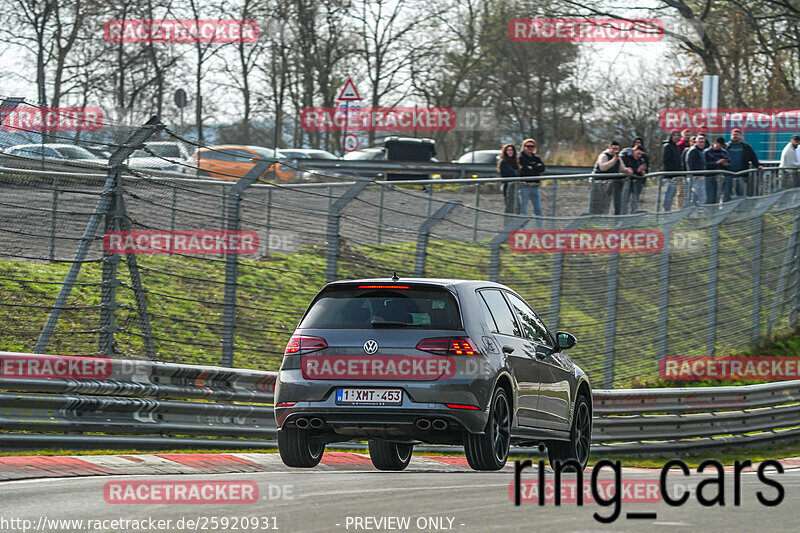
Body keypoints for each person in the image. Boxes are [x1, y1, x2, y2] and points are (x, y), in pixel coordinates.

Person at [591, 141, 632, 214]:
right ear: (610, 148)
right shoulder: (604, 156)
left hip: (610, 183)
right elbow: (603, 167)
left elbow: (621, 168)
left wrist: (627, 170)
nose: (615, 151)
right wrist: (613, 160)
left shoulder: (618, 157)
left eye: (617, 149)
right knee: (599, 203)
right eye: (614, 149)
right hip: (599, 182)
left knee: (610, 202)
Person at [724, 128, 763, 200]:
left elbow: (753, 157)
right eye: (733, 135)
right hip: (728, 175)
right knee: (726, 195)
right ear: (731, 136)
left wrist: (758, 165)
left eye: (737, 135)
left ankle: (741, 210)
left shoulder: (746, 147)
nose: (735, 136)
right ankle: (725, 210)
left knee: (741, 195)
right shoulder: (726, 147)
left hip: (741, 175)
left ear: (740, 136)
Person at [518, 138, 545, 216]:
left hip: (535, 186)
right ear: (524, 147)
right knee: (523, 210)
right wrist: (535, 167)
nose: (530, 148)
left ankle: (539, 227)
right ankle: (523, 228)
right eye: (528, 146)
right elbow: (523, 170)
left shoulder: (536, 158)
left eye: (532, 146)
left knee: (538, 210)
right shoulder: (520, 158)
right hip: (524, 186)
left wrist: (531, 167)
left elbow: (542, 169)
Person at [621, 144, 648, 212]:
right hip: (623, 182)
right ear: (633, 150)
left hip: (635, 182)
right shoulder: (624, 154)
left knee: (634, 200)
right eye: (638, 153)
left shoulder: (640, 158)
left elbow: (636, 169)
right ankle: (621, 217)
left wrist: (642, 172)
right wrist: (637, 170)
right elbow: (625, 169)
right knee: (623, 200)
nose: (639, 156)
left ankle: (633, 216)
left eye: (641, 154)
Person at [703, 137, 729, 204]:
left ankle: (716, 210)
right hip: (709, 176)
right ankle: (709, 211)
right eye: (719, 145)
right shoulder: (706, 152)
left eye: (722, 146)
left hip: (721, 177)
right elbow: (704, 164)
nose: (720, 147)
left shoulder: (724, 152)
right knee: (710, 196)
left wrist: (725, 164)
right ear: (715, 143)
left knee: (719, 196)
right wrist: (716, 163)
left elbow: (729, 162)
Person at [661, 131, 682, 211]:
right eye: (674, 135)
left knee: (672, 194)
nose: (676, 137)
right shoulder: (667, 146)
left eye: (677, 135)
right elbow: (666, 160)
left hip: (676, 175)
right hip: (669, 176)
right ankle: (665, 212)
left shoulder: (676, 147)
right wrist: (672, 172)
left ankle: (668, 211)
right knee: (668, 194)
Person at [684, 135, 707, 205]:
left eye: (703, 142)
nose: (702, 144)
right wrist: (694, 176)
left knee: (696, 198)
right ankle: (693, 212)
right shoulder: (693, 150)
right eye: (700, 142)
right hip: (695, 178)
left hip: (700, 177)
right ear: (696, 142)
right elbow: (689, 164)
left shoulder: (701, 151)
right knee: (699, 197)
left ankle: (696, 212)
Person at [497, 143, 520, 214]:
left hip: (515, 187)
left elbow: (519, 173)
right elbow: (512, 174)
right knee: (510, 207)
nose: (510, 152)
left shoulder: (515, 162)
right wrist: (517, 172)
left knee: (518, 207)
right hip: (507, 187)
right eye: (508, 150)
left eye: (512, 150)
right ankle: (508, 224)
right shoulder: (503, 162)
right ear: (505, 152)